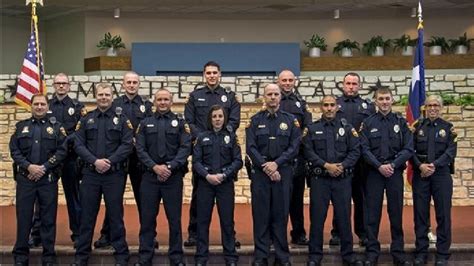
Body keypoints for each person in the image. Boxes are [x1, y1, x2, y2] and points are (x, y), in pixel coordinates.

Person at [71, 83, 133, 266]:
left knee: (115, 215)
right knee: (87, 216)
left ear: (112, 96)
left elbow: (127, 144)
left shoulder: (122, 120)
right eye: (100, 94)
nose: (104, 97)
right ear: (95, 96)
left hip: (114, 175)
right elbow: (78, 144)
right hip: (90, 174)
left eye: (107, 94)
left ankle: (121, 255)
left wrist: (110, 161)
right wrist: (94, 161)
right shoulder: (86, 119)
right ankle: (81, 257)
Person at [184, 61, 241, 247]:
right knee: (199, 193)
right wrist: (204, 138)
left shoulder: (229, 96)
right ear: (204, 75)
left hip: (224, 149)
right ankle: (194, 233)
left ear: (220, 74)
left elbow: (234, 120)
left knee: (226, 200)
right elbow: (189, 121)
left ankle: (230, 236)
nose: (211, 76)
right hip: (203, 150)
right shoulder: (195, 96)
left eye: (214, 72)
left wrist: (223, 136)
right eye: (208, 73)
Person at [94, 71, 153, 249]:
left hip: (139, 159)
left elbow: (150, 128)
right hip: (117, 159)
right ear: (123, 84)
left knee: (144, 199)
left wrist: (138, 142)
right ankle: (107, 235)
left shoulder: (146, 105)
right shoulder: (115, 104)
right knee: (114, 199)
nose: (132, 85)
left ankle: (149, 236)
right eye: (129, 82)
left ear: (139, 84)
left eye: (135, 82)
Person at [134, 88, 191, 266]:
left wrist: (169, 167)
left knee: (174, 219)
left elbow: (185, 147)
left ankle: (176, 257)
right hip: (150, 177)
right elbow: (140, 149)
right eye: (159, 99)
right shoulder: (145, 123)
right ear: (154, 102)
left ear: (171, 102)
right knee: (148, 219)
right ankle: (145, 257)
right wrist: (155, 167)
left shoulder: (180, 123)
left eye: (166, 99)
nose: (163, 102)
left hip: (172, 178)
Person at [303, 95, 363, 266]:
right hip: (320, 180)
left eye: (332, 105)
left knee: (344, 218)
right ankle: (315, 256)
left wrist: (342, 166)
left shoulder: (348, 128)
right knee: (317, 218)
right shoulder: (312, 129)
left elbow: (355, 150)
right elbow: (307, 151)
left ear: (337, 107)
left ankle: (348, 256)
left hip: (342, 180)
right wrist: (326, 165)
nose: (329, 108)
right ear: (321, 108)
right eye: (325, 105)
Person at [246, 83, 301, 266]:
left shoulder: (291, 120)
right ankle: (261, 256)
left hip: (282, 173)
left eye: (275, 94)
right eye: (269, 94)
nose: (272, 97)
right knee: (261, 216)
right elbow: (251, 147)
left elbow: (294, 147)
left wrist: (276, 164)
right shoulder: (254, 121)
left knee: (280, 215)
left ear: (280, 97)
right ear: (264, 97)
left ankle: (282, 256)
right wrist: (266, 166)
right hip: (261, 174)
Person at [10, 94, 67, 266]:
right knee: (24, 218)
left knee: (48, 218)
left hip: (47, 179)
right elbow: (14, 151)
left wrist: (44, 167)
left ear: (47, 106)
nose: (40, 107)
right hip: (25, 179)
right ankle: (20, 256)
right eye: (36, 104)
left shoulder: (57, 128)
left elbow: (62, 151)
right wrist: (29, 166)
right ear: (31, 106)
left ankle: (48, 256)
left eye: (43, 104)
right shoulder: (21, 127)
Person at [360, 88, 413, 266]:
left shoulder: (401, 122)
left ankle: (398, 253)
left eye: (387, 99)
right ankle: (372, 254)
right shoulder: (367, 123)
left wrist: (392, 165)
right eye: (381, 99)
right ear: (375, 101)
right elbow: (364, 149)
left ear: (392, 100)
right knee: (372, 215)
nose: (384, 102)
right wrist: (379, 166)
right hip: (374, 174)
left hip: (394, 173)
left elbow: (408, 148)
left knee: (396, 214)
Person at [193, 105, 242, 266]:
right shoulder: (201, 137)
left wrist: (224, 174)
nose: (217, 119)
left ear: (224, 118)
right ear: (210, 119)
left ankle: (230, 257)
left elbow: (238, 161)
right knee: (202, 221)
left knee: (227, 221)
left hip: (225, 184)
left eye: (220, 116)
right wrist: (207, 175)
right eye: (214, 116)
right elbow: (196, 162)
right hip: (205, 184)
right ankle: (201, 258)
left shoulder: (232, 137)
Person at [330, 72, 375, 247]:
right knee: (340, 198)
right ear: (343, 85)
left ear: (360, 86)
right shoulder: (335, 104)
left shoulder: (368, 107)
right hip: (340, 160)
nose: (351, 86)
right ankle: (338, 233)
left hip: (362, 161)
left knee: (361, 198)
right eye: (348, 83)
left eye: (354, 84)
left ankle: (362, 233)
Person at [411, 95, 457, 266]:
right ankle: (421, 252)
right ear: (425, 107)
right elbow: (410, 149)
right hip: (420, 175)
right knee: (420, 215)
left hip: (441, 176)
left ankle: (443, 254)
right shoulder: (416, 127)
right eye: (429, 105)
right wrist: (420, 166)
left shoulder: (449, 128)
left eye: (436, 105)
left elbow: (450, 152)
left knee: (443, 215)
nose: (432, 108)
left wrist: (433, 166)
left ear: (441, 108)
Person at [277, 70, 312, 246]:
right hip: (278, 161)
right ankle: (276, 234)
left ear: (295, 82)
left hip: (297, 159)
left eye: (290, 80)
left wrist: (295, 145)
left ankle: (298, 233)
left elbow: (307, 128)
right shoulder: (274, 101)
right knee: (277, 201)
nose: (287, 83)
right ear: (278, 81)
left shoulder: (301, 104)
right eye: (284, 80)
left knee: (296, 200)